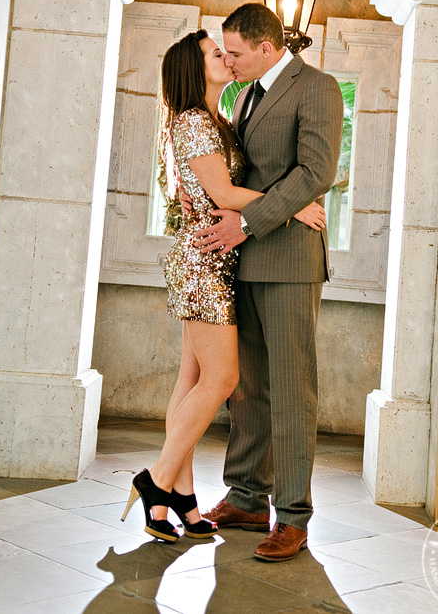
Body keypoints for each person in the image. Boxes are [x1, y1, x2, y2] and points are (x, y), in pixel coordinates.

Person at [120, 28, 326, 543]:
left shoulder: (221, 118)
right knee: (223, 380)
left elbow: (209, 191)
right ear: (197, 67)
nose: (227, 60)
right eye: (218, 53)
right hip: (203, 263)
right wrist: (293, 203)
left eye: (230, 51)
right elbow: (222, 189)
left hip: (217, 259)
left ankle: (183, 501)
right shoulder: (194, 121)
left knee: (191, 381)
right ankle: (157, 481)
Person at [195, 3, 344, 562]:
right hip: (245, 259)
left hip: (288, 261)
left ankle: (293, 516)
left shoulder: (319, 87)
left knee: (290, 388)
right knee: (247, 387)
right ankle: (246, 496)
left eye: (233, 52)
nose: (227, 62)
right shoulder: (245, 94)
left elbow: (316, 172)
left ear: (266, 46)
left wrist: (248, 220)